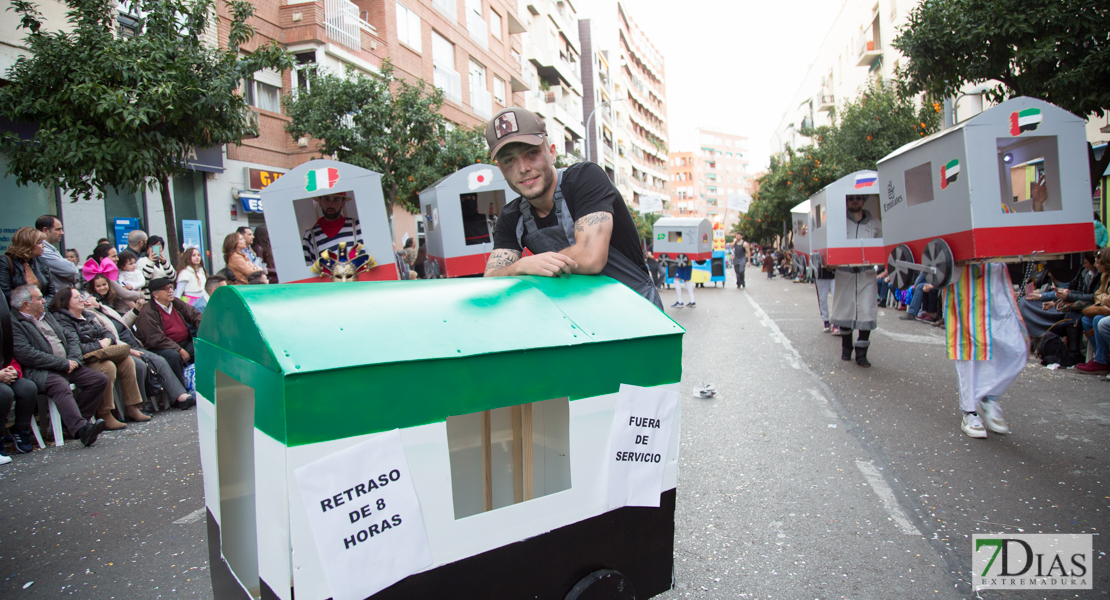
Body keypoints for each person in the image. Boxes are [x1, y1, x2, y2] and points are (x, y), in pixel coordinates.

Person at [481, 107, 662, 308]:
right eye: (509, 161)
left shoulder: (585, 179)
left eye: (532, 153)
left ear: (552, 153)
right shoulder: (512, 216)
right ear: (501, 170)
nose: (523, 168)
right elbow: (491, 279)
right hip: (582, 318)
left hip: (638, 311)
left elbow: (591, 257)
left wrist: (532, 266)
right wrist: (521, 266)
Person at [9, 284, 108, 447]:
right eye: (39, 298)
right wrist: (63, 363)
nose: (44, 301)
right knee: (60, 385)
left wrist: (74, 359)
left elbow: (70, 336)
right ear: (26, 304)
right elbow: (27, 354)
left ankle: (72, 424)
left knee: (98, 379)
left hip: (68, 364)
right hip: (41, 371)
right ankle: (82, 429)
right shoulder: (15, 324)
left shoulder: (46, 314)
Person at [944, 263, 1028, 438]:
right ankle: (969, 411)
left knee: (1016, 348)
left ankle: (989, 395)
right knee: (969, 349)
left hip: (996, 279)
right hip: (966, 281)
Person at [50, 287, 149, 430]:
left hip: (100, 353)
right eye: (77, 297)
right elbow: (75, 347)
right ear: (66, 302)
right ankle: (105, 413)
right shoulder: (62, 320)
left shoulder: (86, 315)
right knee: (107, 367)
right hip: (84, 359)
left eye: (81, 296)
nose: (82, 299)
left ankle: (132, 407)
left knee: (127, 361)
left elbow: (107, 334)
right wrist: (99, 344)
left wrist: (106, 342)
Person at [81, 291, 196, 410]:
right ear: (86, 301)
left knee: (162, 358)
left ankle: (179, 396)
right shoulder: (91, 315)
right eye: (91, 295)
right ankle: (144, 404)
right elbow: (109, 337)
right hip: (122, 348)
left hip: (133, 343)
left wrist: (135, 311)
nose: (95, 296)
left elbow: (122, 324)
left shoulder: (104, 309)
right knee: (147, 362)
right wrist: (129, 350)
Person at [830, 194, 882, 368]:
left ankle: (862, 354)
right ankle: (846, 348)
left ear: (864, 201)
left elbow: (883, 245)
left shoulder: (875, 224)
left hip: (866, 274)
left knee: (866, 311)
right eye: (851, 198)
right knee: (845, 311)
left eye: (859, 198)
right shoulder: (839, 223)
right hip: (845, 273)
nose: (855, 201)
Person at [136, 277, 202, 389]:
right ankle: (181, 392)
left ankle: (202, 386)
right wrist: (179, 350)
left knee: (202, 348)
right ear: (155, 294)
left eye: (170, 287)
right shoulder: (148, 312)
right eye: (166, 289)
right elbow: (155, 339)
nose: (170, 291)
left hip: (184, 342)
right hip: (161, 347)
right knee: (173, 356)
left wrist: (203, 332)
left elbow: (196, 315)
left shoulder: (176, 303)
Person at [1, 289, 37, 456]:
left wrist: (12, 371)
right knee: (4, 394)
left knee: (27, 388)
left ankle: (20, 430)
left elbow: (7, 354)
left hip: (5, 371)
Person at [1, 227, 57, 305]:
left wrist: (43, 306)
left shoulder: (41, 262)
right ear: (28, 245)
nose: (43, 246)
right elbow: (5, 292)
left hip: (42, 311)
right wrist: (29, 307)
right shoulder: (6, 262)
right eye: (39, 242)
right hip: (17, 313)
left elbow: (51, 291)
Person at [302, 193, 362, 266]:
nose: (331, 205)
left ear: (343, 203)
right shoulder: (310, 237)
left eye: (336, 200)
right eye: (326, 199)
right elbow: (309, 274)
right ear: (320, 202)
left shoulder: (358, 226)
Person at [36, 215, 80, 290]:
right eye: (58, 229)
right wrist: (73, 275)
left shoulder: (50, 249)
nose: (62, 233)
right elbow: (71, 271)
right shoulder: (43, 251)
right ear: (46, 230)